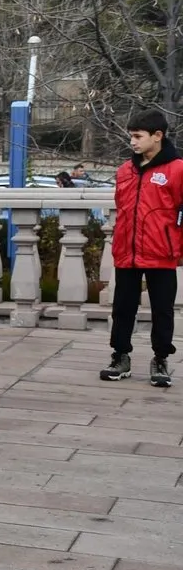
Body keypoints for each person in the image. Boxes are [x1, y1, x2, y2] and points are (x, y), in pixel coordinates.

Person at [100, 110, 183, 388]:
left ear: (157, 136)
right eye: (131, 136)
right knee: (122, 307)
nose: (133, 142)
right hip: (127, 252)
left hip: (161, 253)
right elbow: (123, 210)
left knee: (162, 309)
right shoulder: (125, 170)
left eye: (138, 136)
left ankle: (160, 358)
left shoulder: (177, 170)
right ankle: (120, 356)